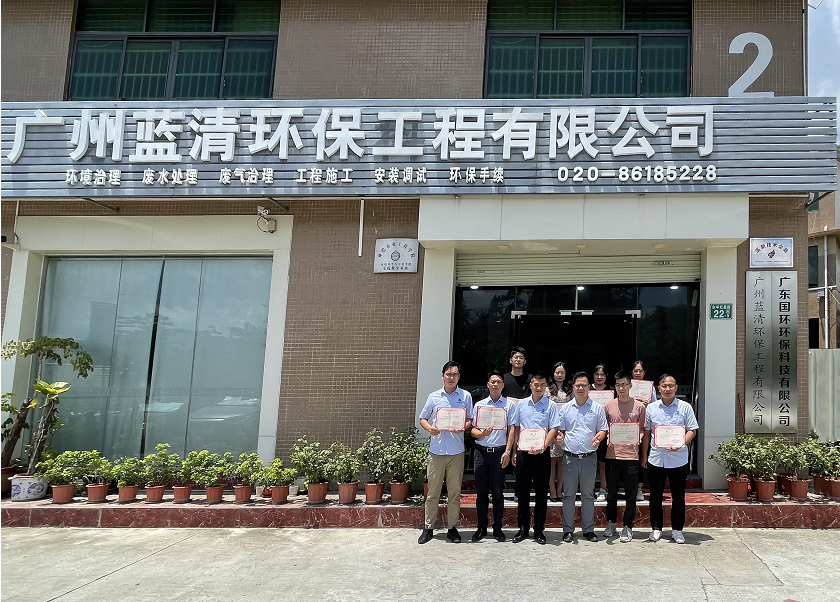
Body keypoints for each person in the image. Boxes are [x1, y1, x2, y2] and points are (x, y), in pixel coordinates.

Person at [417, 361, 474, 544]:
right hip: (437, 451)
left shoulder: (465, 396)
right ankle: (428, 527)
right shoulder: (434, 396)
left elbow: (470, 419)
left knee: (454, 492)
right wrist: (430, 429)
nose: (452, 377)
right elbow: (423, 418)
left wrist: (463, 427)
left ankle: (452, 528)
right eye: (449, 374)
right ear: (442, 376)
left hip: (456, 451)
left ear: (459, 377)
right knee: (433, 492)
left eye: (455, 374)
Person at [641, 374, 698, 544]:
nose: (667, 389)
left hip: (678, 459)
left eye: (670, 386)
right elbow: (647, 433)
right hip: (656, 458)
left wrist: (681, 443)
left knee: (678, 497)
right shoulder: (651, 408)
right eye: (664, 386)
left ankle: (677, 530)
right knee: (655, 496)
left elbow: (692, 430)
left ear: (676, 388)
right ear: (658, 388)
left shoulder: (685, 407)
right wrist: (644, 455)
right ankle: (656, 528)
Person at [558, 371, 608, 543]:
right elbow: (560, 431)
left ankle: (588, 529)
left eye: (584, 385)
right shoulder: (565, 408)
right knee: (568, 495)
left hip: (589, 456)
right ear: (573, 387)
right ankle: (568, 530)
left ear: (589, 388)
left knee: (588, 495)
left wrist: (599, 437)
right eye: (577, 385)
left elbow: (603, 429)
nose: (580, 388)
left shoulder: (597, 408)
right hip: (570, 457)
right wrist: (559, 438)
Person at [512, 372, 560, 545]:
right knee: (522, 493)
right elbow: (516, 428)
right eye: (535, 384)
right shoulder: (521, 404)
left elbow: (554, 429)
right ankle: (523, 528)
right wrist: (514, 451)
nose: (539, 387)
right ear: (531, 385)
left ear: (546, 386)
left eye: (542, 385)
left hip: (542, 453)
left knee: (541, 494)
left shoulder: (551, 405)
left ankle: (539, 529)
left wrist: (543, 446)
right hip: (523, 453)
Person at [470, 370, 516, 542]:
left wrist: (508, 452)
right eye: (492, 382)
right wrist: (483, 434)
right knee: (481, 494)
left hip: (499, 453)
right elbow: (473, 431)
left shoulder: (509, 405)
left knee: (498, 493)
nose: (495, 384)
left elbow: (512, 430)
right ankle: (481, 528)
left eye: (498, 382)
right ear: (488, 384)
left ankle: (497, 528)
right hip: (481, 453)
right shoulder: (479, 405)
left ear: (503, 385)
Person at [602, 370, 647, 543]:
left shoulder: (639, 406)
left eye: (624, 384)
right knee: (612, 493)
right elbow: (604, 428)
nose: (621, 388)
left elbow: (642, 430)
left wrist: (638, 438)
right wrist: (608, 437)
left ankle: (628, 526)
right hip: (613, 456)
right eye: (618, 385)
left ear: (630, 385)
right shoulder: (608, 406)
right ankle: (611, 522)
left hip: (631, 457)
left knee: (630, 495)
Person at [631, 360, 657, 502]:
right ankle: (630, 487)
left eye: (640, 371)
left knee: (642, 456)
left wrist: (648, 405)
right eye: (636, 370)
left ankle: (639, 488)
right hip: (629, 427)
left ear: (644, 372)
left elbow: (655, 406)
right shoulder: (628, 386)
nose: (638, 373)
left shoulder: (650, 388)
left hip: (644, 427)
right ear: (632, 372)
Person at [547, 361, 571, 502]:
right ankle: (552, 489)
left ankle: (560, 489)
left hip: (565, 430)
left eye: (562, 372)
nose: (559, 375)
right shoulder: (547, 390)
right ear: (553, 373)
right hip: (551, 429)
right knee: (551, 461)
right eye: (557, 372)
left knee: (562, 461)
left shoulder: (570, 390)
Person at [591, 364, 613, 502]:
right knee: (590, 461)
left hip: (605, 430)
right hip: (590, 430)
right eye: (597, 374)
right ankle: (589, 488)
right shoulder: (588, 389)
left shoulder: (611, 390)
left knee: (603, 462)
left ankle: (603, 489)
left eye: (602, 374)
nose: (599, 377)